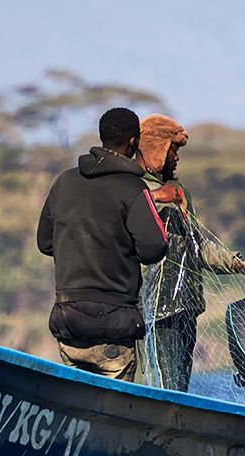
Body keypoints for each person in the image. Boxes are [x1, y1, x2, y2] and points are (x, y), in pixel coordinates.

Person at [136, 113, 245, 391]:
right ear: (157, 150)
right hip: (157, 310)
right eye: (174, 151)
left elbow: (198, 246)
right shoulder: (136, 189)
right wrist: (158, 198)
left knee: (179, 386)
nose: (177, 158)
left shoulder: (179, 193)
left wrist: (238, 263)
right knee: (165, 386)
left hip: (187, 305)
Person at [36, 107, 168, 382]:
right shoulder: (134, 189)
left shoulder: (64, 182)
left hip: (68, 318)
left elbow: (45, 242)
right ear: (132, 142)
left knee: (77, 402)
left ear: (102, 137)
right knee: (114, 406)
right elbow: (154, 249)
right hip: (115, 324)